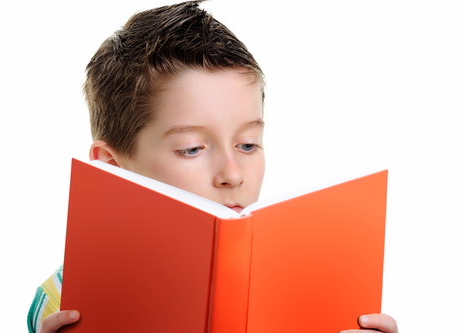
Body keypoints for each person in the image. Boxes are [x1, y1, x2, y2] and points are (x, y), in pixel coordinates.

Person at [27, 1, 398, 333]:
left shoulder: (302, 281)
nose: (233, 174)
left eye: (248, 144)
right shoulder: (66, 301)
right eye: (191, 149)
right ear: (112, 168)